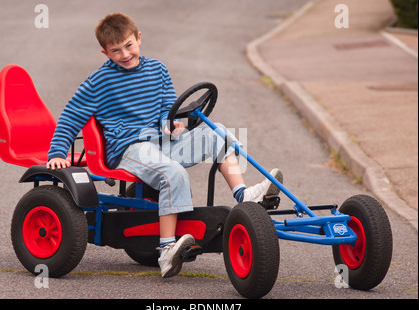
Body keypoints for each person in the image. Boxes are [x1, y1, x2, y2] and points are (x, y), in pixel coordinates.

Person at [46, 12, 283, 278]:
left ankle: (243, 194)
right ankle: (167, 249)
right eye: (116, 50)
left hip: (161, 142)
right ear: (105, 52)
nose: (125, 54)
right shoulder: (99, 82)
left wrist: (174, 124)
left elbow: (168, 110)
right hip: (130, 149)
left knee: (220, 134)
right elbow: (70, 115)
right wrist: (57, 152)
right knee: (173, 173)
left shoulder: (157, 69)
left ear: (138, 38)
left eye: (129, 45)